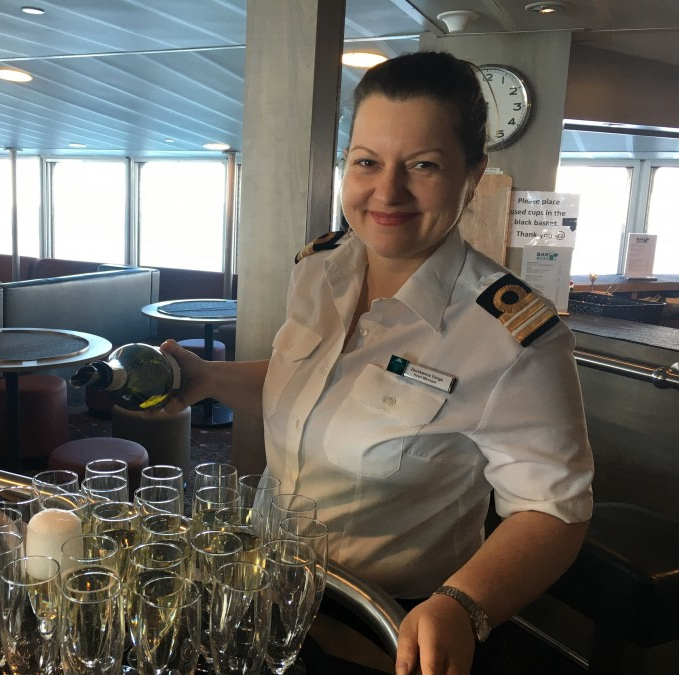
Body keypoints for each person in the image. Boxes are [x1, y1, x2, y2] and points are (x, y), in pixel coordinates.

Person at [162, 51, 593, 675]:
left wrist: (464, 603)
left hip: (388, 626)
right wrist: (209, 379)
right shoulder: (318, 268)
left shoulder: (512, 337)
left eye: (423, 165)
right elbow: (308, 389)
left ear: (473, 175)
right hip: (261, 589)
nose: (386, 192)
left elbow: (554, 510)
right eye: (367, 162)